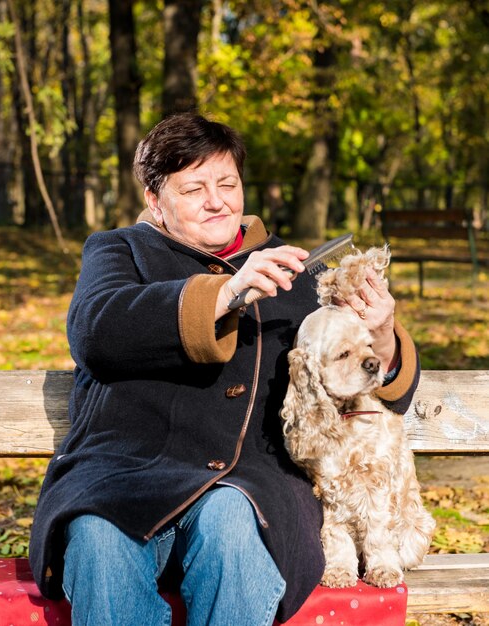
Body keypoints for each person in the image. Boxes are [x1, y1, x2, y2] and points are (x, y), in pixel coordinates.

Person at [29, 113, 420, 626]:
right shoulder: (119, 250)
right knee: (100, 540)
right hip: (122, 475)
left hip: (251, 483)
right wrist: (227, 293)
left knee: (233, 524)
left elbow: (382, 389)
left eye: (227, 183)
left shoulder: (296, 269)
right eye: (193, 188)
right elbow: (95, 332)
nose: (216, 201)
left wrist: (383, 332)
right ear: (154, 198)